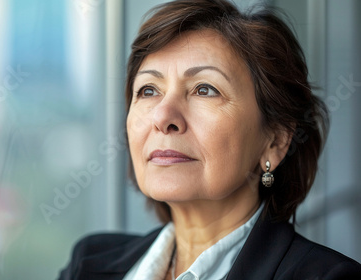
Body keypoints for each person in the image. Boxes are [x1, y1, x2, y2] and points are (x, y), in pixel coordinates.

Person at [59, 0, 361, 279]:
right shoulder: (88, 262)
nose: (163, 117)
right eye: (149, 90)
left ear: (276, 140)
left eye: (205, 89)